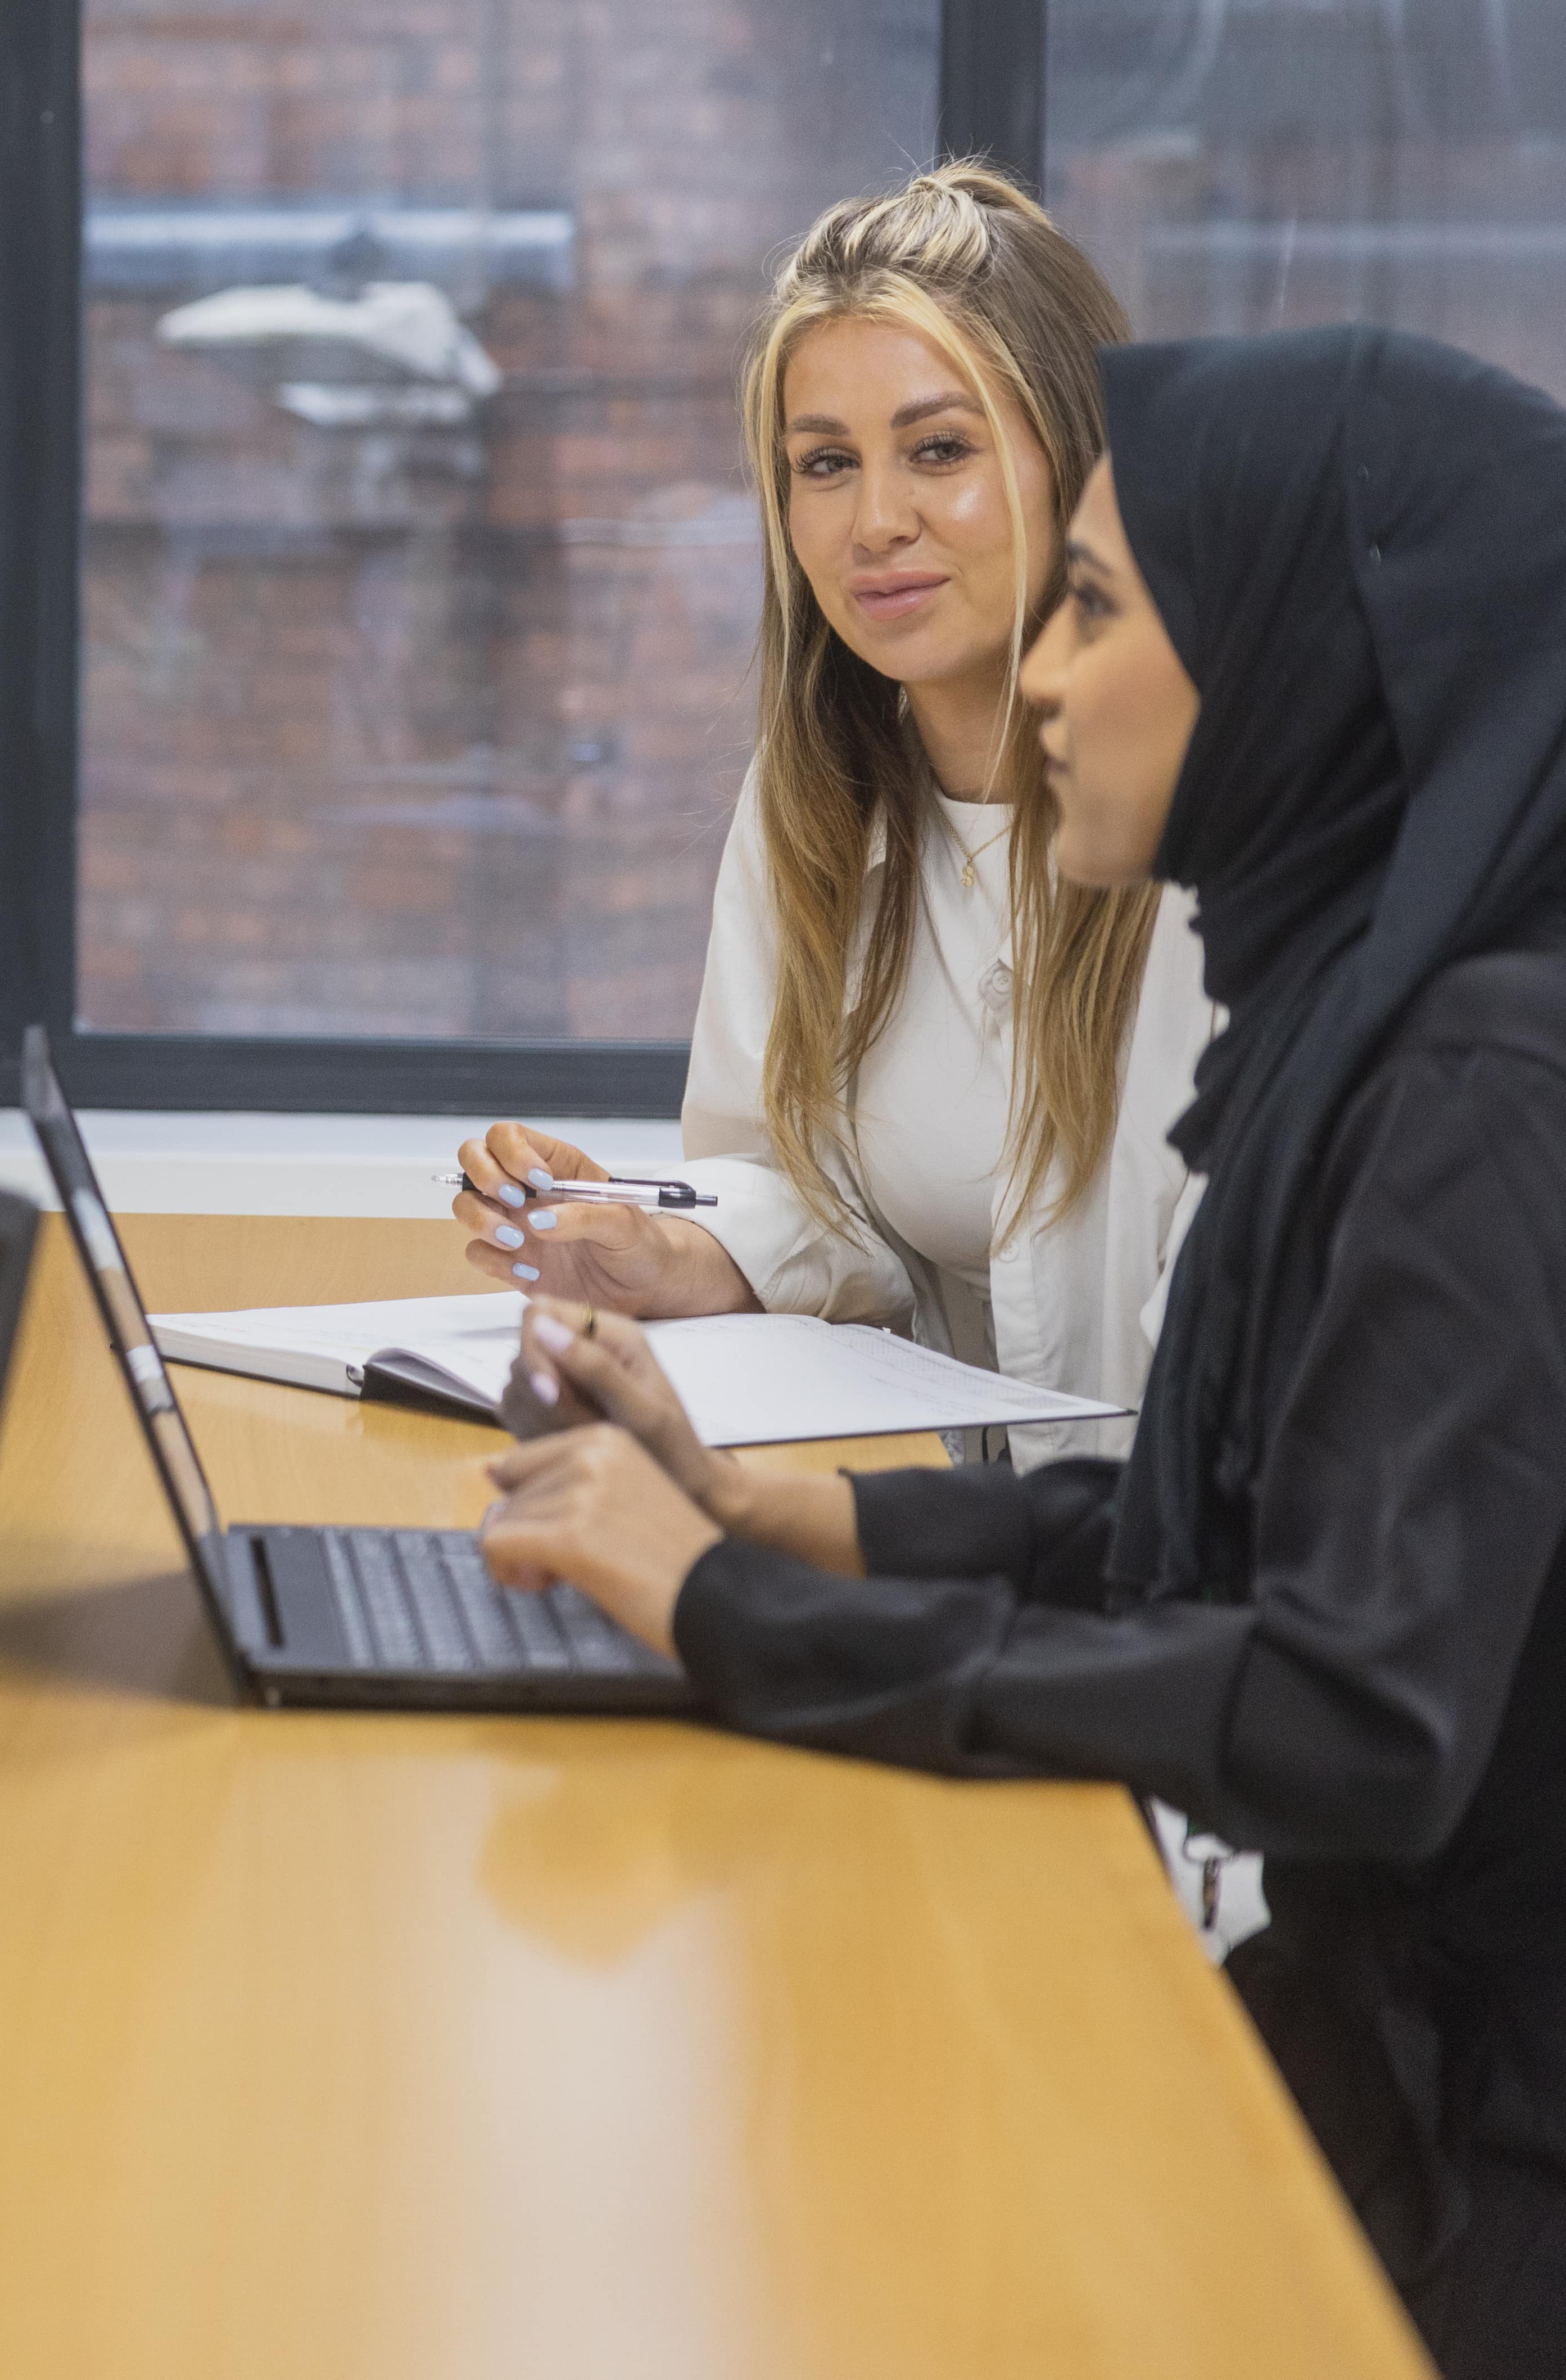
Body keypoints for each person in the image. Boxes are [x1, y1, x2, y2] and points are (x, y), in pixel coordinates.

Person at [477, 326, 1566, 2374]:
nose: (1041, 675)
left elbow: (1351, 1710)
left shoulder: (1493, 1079)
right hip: (1383, 2063)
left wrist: (734, 1616)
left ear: (1296, 650)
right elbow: (1208, 1529)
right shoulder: (1356, 1023)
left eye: (1096, 602)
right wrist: (781, 1522)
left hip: (1489, 2162)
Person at [451, 165, 1207, 1453]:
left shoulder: (1219, 807)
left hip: (1201, 1570)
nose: (873, 521)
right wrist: (671, 1247)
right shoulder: (811, 802)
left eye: (938, 450)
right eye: (822, 463)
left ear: (1073, 460)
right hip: (991, 1554)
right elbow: (829, 1203)